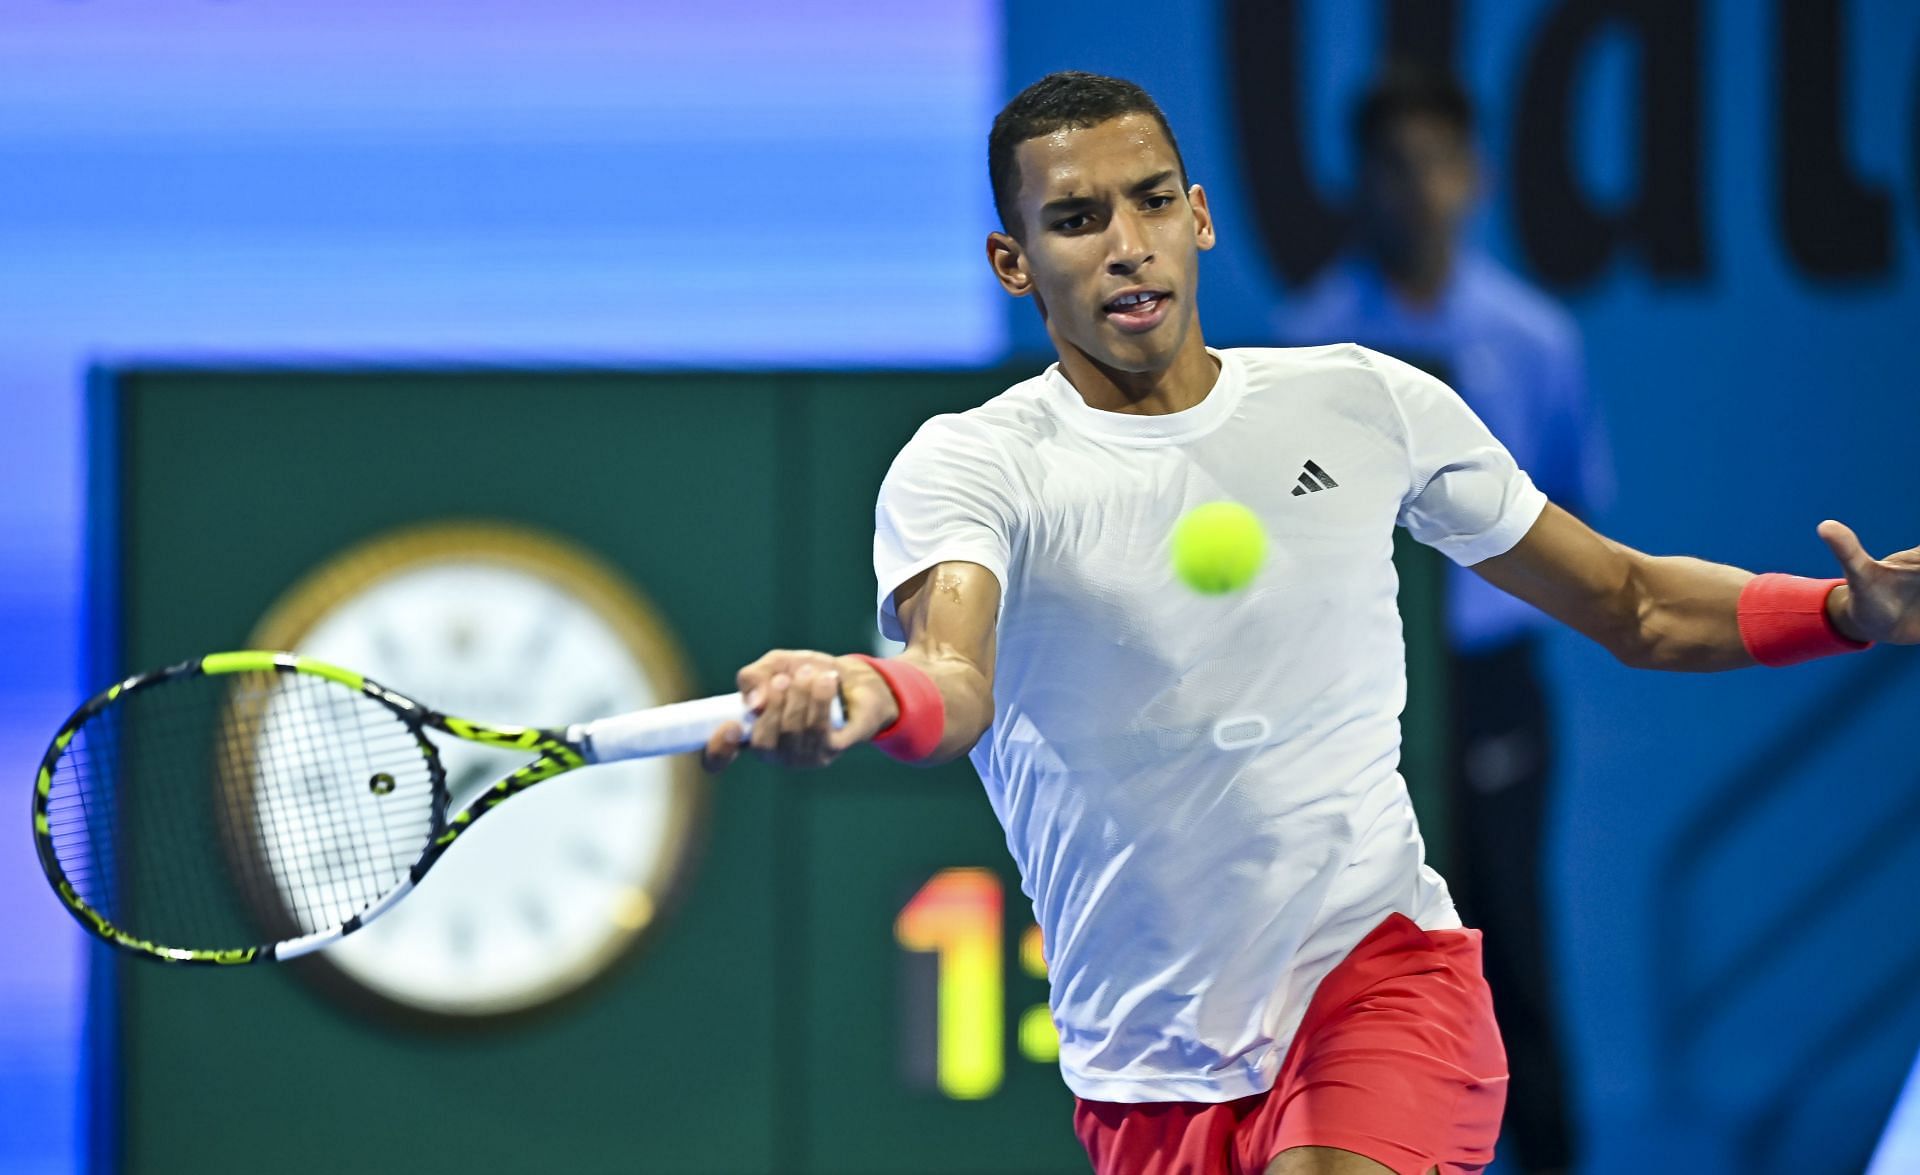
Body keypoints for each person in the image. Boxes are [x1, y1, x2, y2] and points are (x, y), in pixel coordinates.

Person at [700, 71, 1914, 1175]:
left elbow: (1633, 601)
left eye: (1152, 201)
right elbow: (952, 679)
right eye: (1076, 220)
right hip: (1146, 1075)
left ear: (1202, 215)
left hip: (1377, 981)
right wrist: (865, 694)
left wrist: (1836, 613)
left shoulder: (1363, 400)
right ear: (1014, 262)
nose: (1128, 245)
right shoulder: (969, 464)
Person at [1276, 64, 1609, 1174]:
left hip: (1491, 684)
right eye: (1392, 167)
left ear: (1479, 177)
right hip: (1357, 694)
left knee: (1514, 940)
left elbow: (1570, 516)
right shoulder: (1308, 341)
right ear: (1360, 184)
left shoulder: (1538, 339)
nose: (1417, 190)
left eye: (1437, 163)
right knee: (1362, 958)